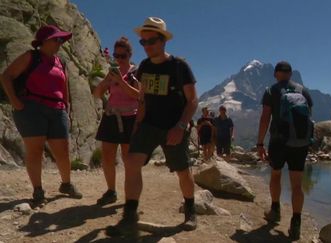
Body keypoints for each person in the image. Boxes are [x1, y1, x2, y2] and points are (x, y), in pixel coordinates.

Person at [107, 17, 198, 235]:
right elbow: (143, 98)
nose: (147, 46)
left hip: (174, 126)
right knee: (131, 162)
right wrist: (138, 124)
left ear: (163, 41)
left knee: (182, 171)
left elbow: (192, 101)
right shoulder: (145, 67)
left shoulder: (179, 66)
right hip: (148, 124)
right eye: (143, 42)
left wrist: (180, 126)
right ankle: (129, 216)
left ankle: (191, 209)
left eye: (152, 41)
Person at [0, 25, 82, 205]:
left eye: (61, 40)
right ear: (44, 41)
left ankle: (66, 184)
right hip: (31, 108)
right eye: (57, 39)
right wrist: (14, 101)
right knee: (35, 150)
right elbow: (6, 76)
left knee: (63, 151)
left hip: (57, 109)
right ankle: (38, 191)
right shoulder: (31, 57)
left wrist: (65, 108)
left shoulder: (61, 63)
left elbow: (64, 87)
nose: (60, 43)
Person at [257, 61, 313, 240]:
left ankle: (275, 211)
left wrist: (260, 143)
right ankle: (296, 223)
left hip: (279, 141)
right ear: (290, 73)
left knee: (275, 174)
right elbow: (308, 115)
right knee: (297, 183)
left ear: (275, 74)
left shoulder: (271, 91)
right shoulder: (302, 90)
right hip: (300, 142)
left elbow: (265, 117)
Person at [93, 37, 140, 205]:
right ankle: (111, 190)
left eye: (122, 56)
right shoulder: (111, 73)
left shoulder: (136, 72)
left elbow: (139, 95)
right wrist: (106, 82)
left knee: (128, 159)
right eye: (116, 56)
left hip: (130, 118)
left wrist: (120, 81)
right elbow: (97, 94)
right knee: (107, 156)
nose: (119, 59)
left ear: (129, 55)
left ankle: (130, 195)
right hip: (112, 116)